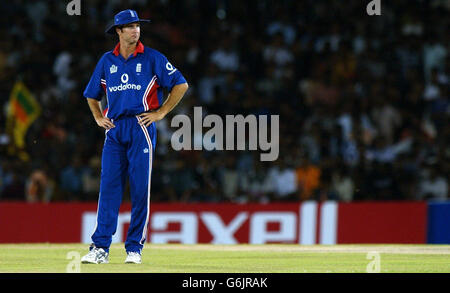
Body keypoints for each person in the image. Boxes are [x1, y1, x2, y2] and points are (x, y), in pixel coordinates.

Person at [81, 9, 188, 264]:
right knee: (108, 189)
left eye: (137, 25)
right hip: (115, 129)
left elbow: (180, 84)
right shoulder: (107, 61)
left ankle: (134, 248)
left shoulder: (151, 57)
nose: (135, 30)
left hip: (141, 126)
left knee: (140, 189)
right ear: (117, 31)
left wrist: (161, 112)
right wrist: (98, 117)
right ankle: (100, 249)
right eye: (129, 26)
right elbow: (91, 94)